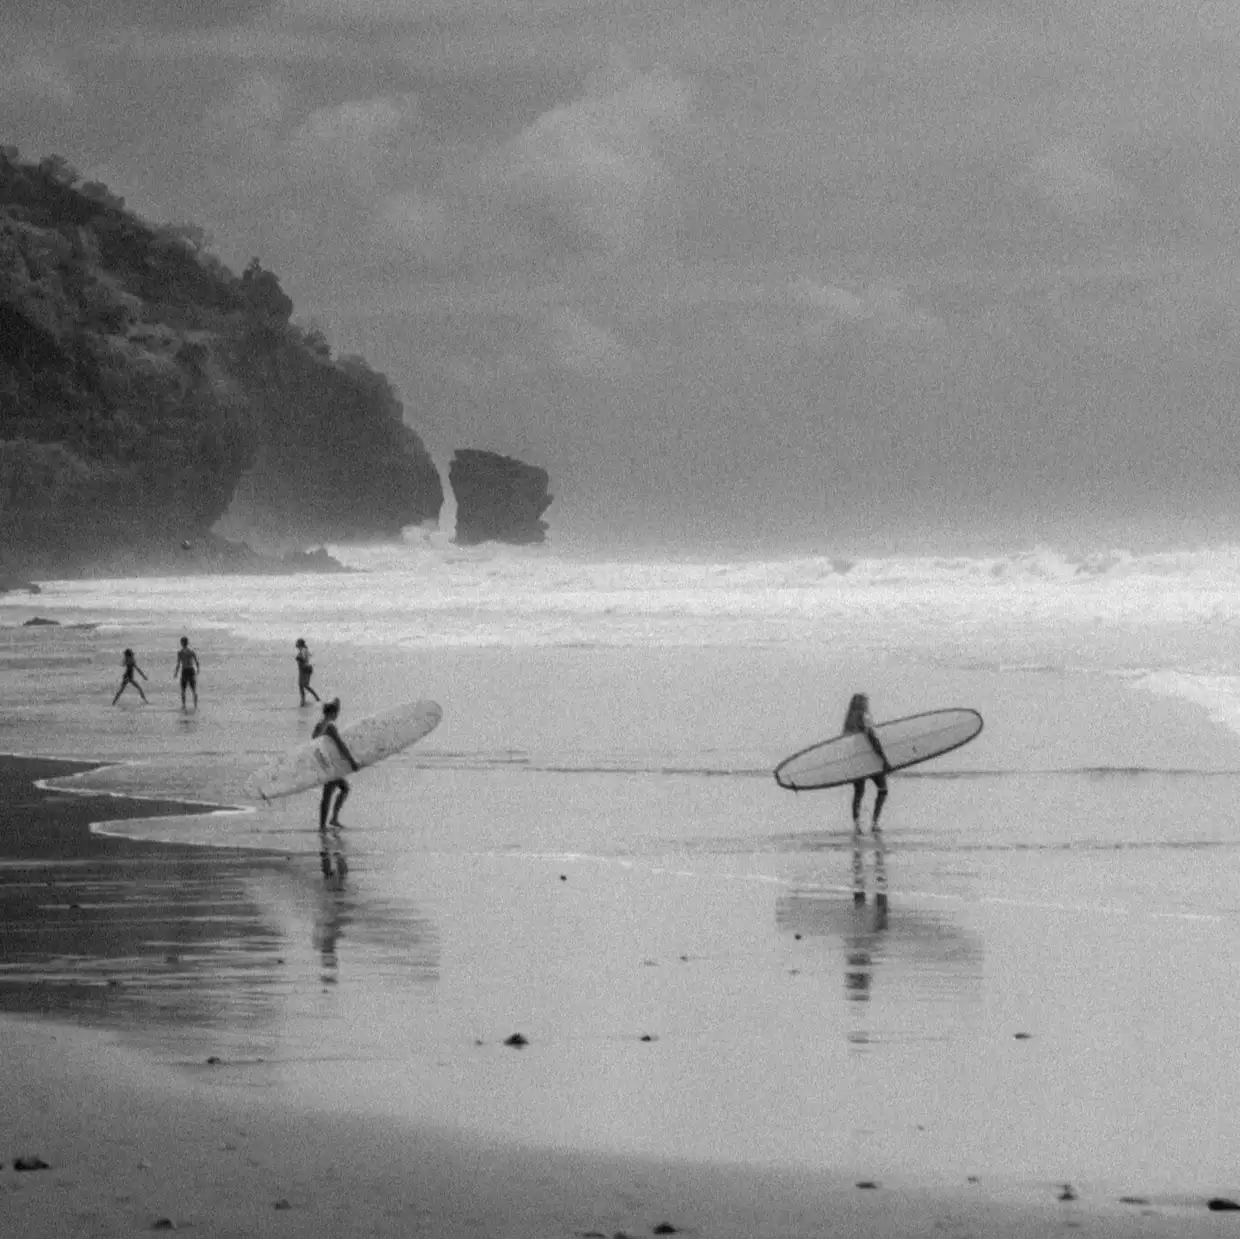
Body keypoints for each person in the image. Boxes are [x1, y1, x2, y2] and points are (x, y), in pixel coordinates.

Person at [312, 698, 360, 878]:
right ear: (333, 713)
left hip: (324, 763)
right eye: (337, 711)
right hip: (331, 766)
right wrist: (351, 761)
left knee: (333, 792)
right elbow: (341, 745)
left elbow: (313, 745)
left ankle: (326, 823)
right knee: (339, 790)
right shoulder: (330, 726)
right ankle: (327, 823)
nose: (338, 714)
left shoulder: (319, 725)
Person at [842, 693, 893, 832]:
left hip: (856, 761)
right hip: (871, 760)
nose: (867, 705)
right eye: (865, 702)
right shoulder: (864, 716)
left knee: (859, 792)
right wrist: (884, 759)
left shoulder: (848, 721)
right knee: (883, 790)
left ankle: (857, 825)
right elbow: (873, 739)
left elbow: (846, 745)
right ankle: (874, 823)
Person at [174, 636, 199, 709]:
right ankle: (195, 706)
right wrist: (198, 670)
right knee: (194, 690)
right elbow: (197, 662)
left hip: (185, 671)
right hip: (191, 670)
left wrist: (176, 673)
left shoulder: (180, 653)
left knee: (183, 690)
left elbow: (178, 664)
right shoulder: (192, 652)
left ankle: (184, 705)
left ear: (181, 643)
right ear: (187, 643)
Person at [295, 638, 320, 706]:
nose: (296, 644)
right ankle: (303, 700)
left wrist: (299, 658)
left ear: (300, 644)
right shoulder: (303, 650)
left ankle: (316, 698)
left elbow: (304, 658)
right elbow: (310, 655)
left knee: (305, 685)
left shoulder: (303, 650)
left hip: (305, 670)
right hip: (303, 670)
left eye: (297, 643)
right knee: (301, 685)